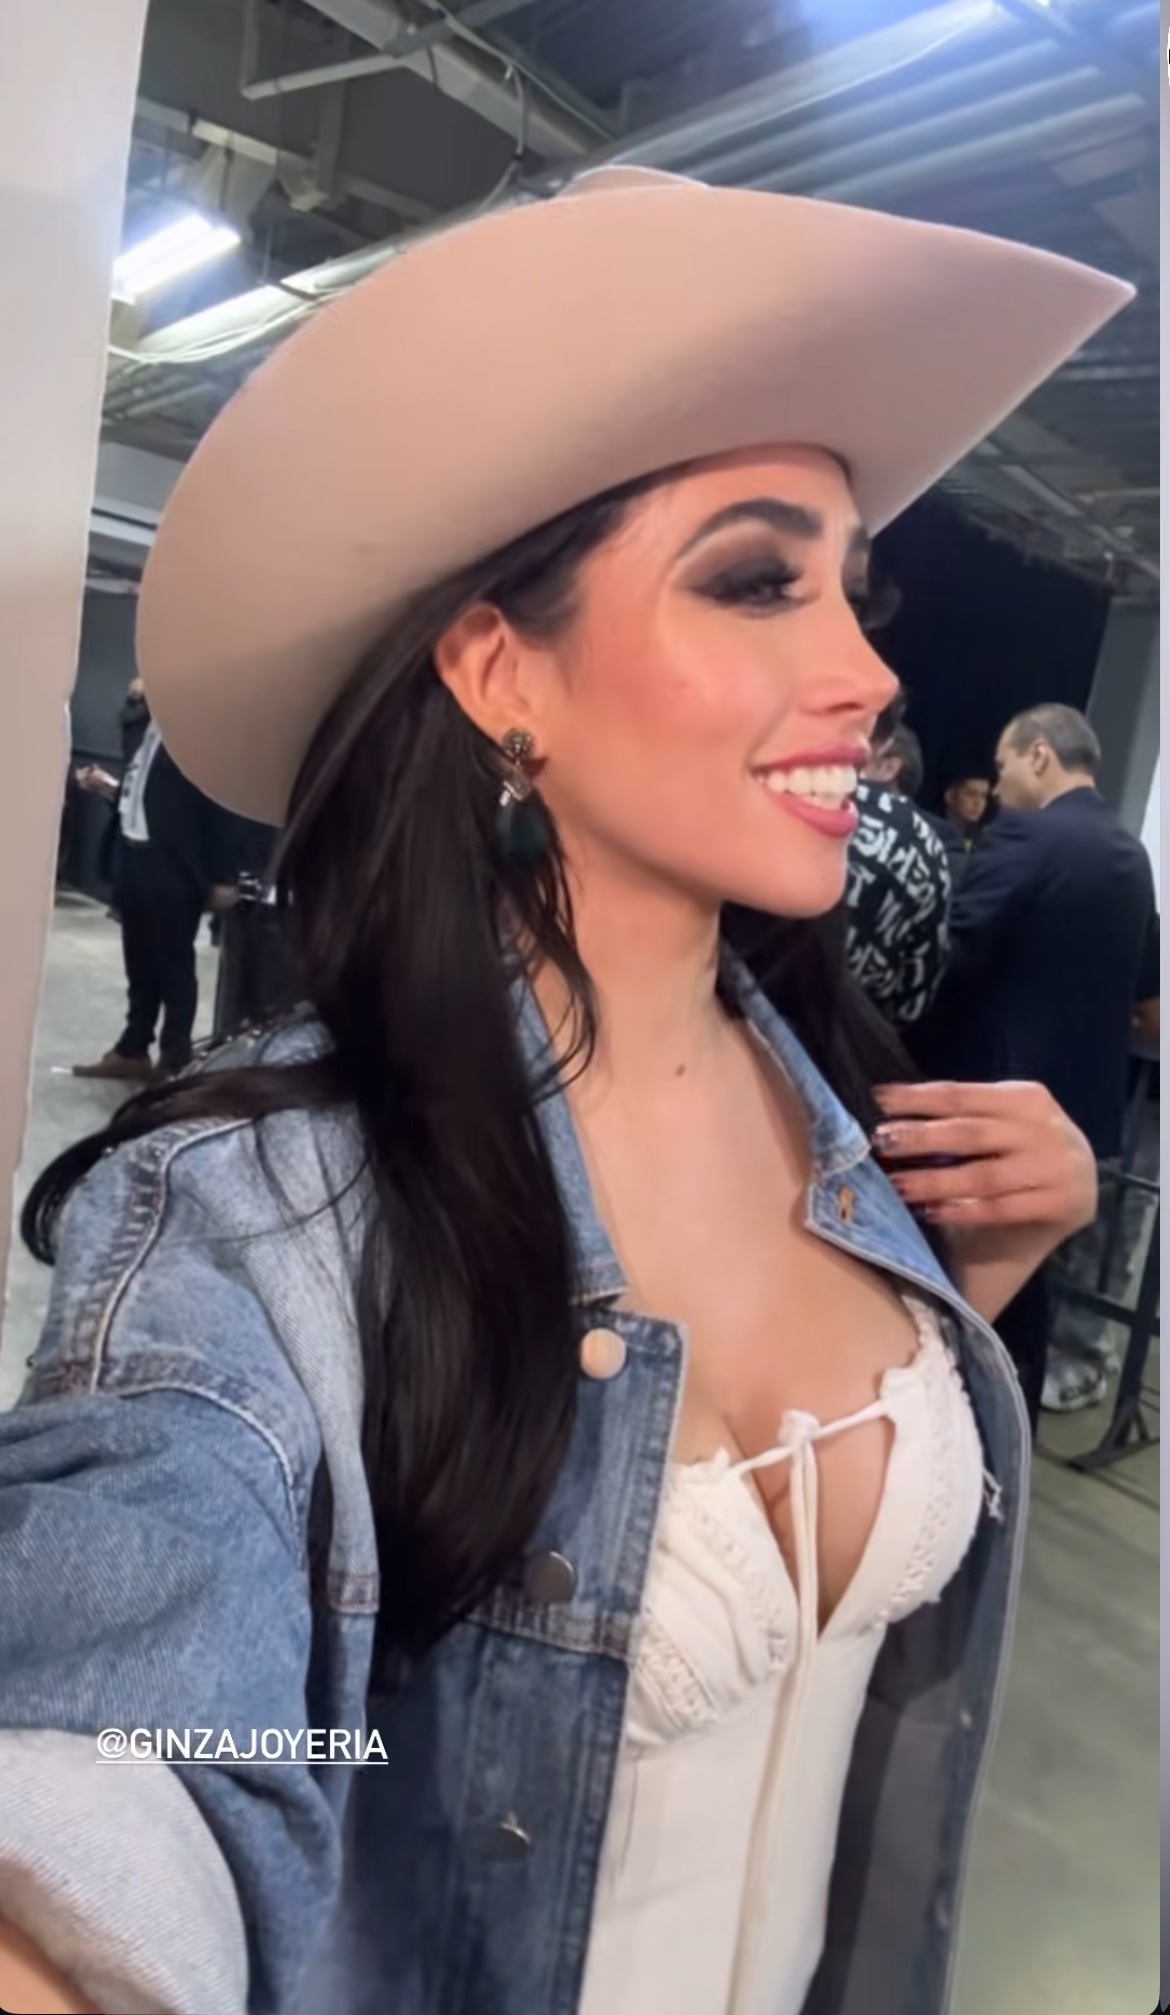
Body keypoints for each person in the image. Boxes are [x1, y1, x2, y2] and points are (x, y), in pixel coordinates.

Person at [0, 169, 1124, 2015]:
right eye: (758, 581)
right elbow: (138, 1714)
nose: (867, 671)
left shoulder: (848, 1116)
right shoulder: (257, 1213)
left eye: (854, 591)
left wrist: (965, 1297)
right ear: (501, 670)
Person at [922, 704, 1159, 1418]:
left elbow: (954, 951)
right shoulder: (1131, 856)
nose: (996, 788)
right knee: (1031, 1284)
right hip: (1081, 1116)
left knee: (965, 1274)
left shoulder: (1028, 835)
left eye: (1002, 766)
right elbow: (1145, 993)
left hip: (995, 1100)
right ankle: (1011, 1413)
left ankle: (955, 1415)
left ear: (1038, 756)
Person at [72, 694, 242, 1082]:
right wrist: (109, 789)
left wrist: (223, 877)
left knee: (173, 965)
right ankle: (132, 1050)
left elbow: (219, 809)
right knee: (139, 963)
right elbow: (142, 797)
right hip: (133, 857)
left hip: (173, 868)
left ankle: (174, 1059)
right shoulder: (145, 732)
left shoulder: (200, 738)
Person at [845, 717, 953, 1028]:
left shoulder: (821, 800)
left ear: (890, 766)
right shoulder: (933, 852)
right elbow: (918, 989)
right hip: (855, 1031)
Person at [927, 774, 990, 885]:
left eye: (983, 796)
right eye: (971, 794)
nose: (978, 802)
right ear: (949, 796)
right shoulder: (929, 832)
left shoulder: (987, 841)